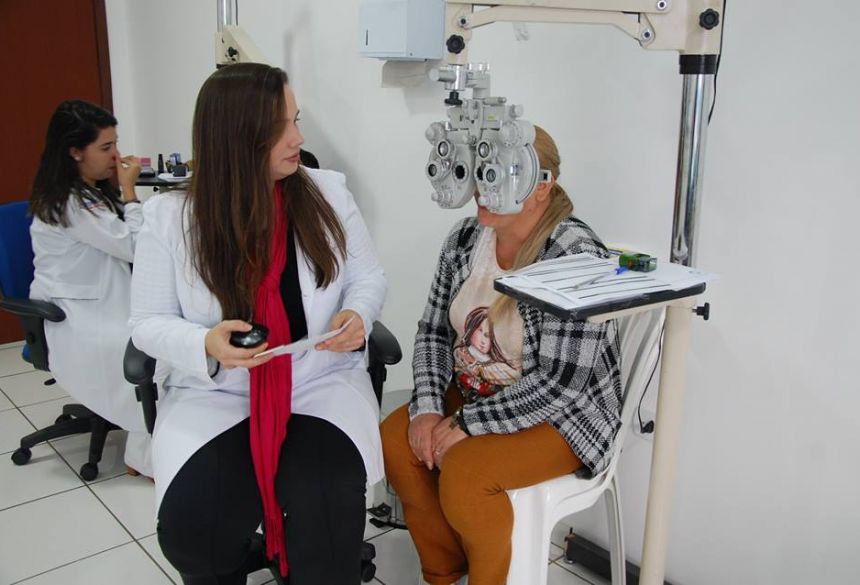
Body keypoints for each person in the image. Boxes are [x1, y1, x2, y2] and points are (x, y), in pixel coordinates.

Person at [129, 63, 386, 585]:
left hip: (316, 384)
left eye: (296, 119)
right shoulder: (171, 218)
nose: (299, 138)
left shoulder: (327, 194)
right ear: (235, 137)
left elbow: (368, 277)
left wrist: (358, 314)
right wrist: (205, 342)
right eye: (280, 127)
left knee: (325, 512)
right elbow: (147, 322)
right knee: (196, 533)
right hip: (219, 394)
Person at [380, 126, 622, 585]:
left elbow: (560, 384)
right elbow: (434, 330)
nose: (483, 189)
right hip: (477, 388)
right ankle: (445, 573)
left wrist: (466, 423)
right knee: (397, 440)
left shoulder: (575, 256)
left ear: (542, 186)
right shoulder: (466, 238)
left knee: (467, 475)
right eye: (481, 172)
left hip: (564, 414)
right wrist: (428, 408)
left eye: (502, 175)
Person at [28, 99, 151, 476]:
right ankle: (143, 453)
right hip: (78, 317)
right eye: (106, 147)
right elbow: (135, 245)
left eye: (115, 144)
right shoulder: (70, 202)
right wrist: (130, 191)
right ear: (75, 152)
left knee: (160, 339)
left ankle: (149, 441)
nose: (116, 155)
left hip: (102, 301)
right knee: (154, 357)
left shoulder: (87, 191)